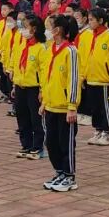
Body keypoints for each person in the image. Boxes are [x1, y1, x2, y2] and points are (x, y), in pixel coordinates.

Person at [40, 14, 80, 192]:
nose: (46, 30)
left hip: (65, 107)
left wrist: (72, 106)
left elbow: (73, 80)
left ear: (57, 30)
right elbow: (46, 76)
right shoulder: (49, 49)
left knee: (66, 142)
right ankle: (59, 171)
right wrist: (44, 100)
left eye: (49, 27)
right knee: (51, 141)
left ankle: (69, 175)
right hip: (50, 105)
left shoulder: (71, 51)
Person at [12, 14, 47, 160]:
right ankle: (26, 145)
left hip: (34, 88)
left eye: (25, 27)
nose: (22, 30)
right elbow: (17, 66)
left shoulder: (41, 48)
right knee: (22, 117)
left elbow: (44, 71)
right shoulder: (22, 45)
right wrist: (15, 85)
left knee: (36, 118)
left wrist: (42, 90)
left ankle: (38, 147)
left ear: (34, 29)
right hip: (21, 86)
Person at [83, 7, 109, 146]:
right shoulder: (90, 35)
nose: (89, 22)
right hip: (91, 77)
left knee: (104, 107)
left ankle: (107, 132)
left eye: (92, 20)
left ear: (101, 20)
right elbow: (86, 56)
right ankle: (98, 130)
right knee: (94, 107)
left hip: (104, 80)